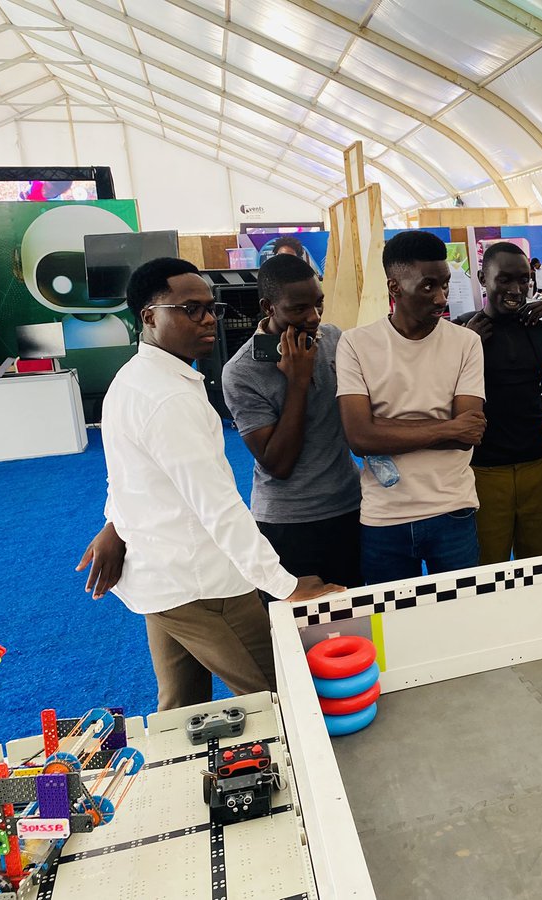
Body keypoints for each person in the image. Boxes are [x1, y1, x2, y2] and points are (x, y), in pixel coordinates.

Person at [77, 257, 340, 711]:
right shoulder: (168, 396)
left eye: (210, 309)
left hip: (161, 580)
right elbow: (216, 505)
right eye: (190, 309)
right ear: (149, 317)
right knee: (285, 698)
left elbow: (129, 475)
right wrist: (284, 585)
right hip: (205, 585)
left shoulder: (136, 378)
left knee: (182, 709)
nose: (207, 321)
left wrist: (114, 524)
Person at [336, 230, 486, 582]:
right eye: (429, 286)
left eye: (445, 285)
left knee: (463, 620)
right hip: (384, 515)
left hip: (453, 509)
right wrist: (446, 426)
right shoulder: (356, 344)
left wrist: (383, 426)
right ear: (394, 288)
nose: (441, 298)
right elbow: (359, 438)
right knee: (390, 630)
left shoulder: (466, 343)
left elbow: (469, 433)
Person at [222, 254, 363, 593]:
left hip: (349, 506)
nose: (313, 318)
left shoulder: (333, 339)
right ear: (268, 307)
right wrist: (297, 382)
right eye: (298, 309)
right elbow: (278, 463)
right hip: (288, 522)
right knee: (297, 631)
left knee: (353, 619)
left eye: (318, 304)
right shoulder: (241, 373)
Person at [455, 243, 542, 563]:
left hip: (537, 467)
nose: (516, 290)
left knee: (540, 566)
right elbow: (436, 391)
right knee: (487, 569)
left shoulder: (538, 331)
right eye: (504, 280)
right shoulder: (462, 330)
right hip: (483, 471)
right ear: (482, 278)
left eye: (523, 280)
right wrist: (465, 346)